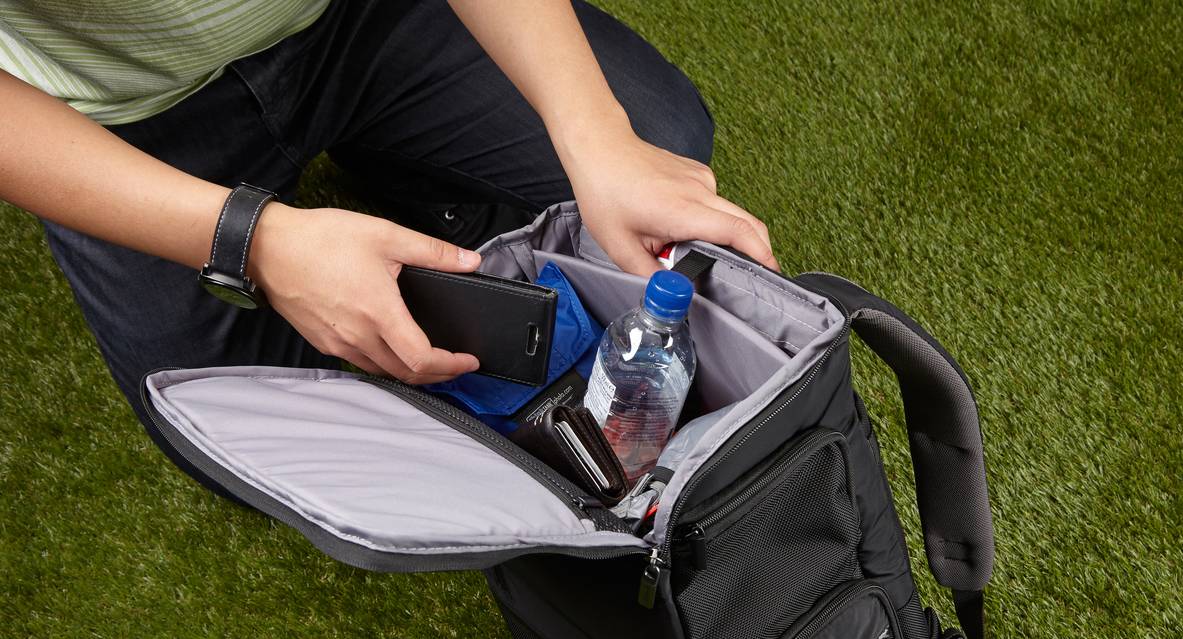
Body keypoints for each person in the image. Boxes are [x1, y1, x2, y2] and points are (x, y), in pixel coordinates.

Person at [0, 0, 777, 495]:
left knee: (659, 143)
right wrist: (254, 242)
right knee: (229, 434)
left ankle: (398, 162)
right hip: (116, 120)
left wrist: (595, 134)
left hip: (363, 19)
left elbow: (609, 139)